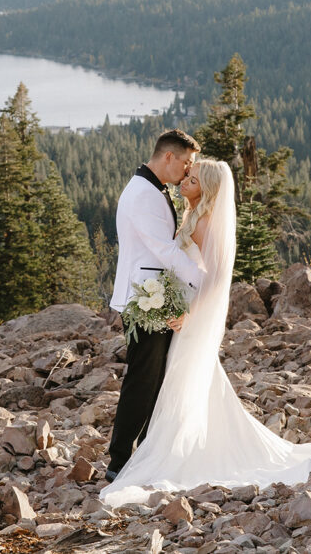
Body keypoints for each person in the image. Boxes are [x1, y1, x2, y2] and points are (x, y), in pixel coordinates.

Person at [101, 159, 311, 506]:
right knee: (179, 382)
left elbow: (209, 280)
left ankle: (169, 451)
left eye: (192, 180)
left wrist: (187, 311)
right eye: (187, 175)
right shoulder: (193, 215)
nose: (184, 181)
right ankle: (164, 445)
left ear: (207, 190)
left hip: (188, 318)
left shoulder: (205, 223)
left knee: (180, 381)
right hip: (179, 313)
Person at [106, 129, 205, 482]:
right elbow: (163, 250)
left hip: (156, 293)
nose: (187, 170)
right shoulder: (143, 195)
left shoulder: (151, 189)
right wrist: (202, 282)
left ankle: (144, 452)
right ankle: (119, 461)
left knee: (156, 378)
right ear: (169, 157)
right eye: (187, 163)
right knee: (143, 379)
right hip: (146, 298)